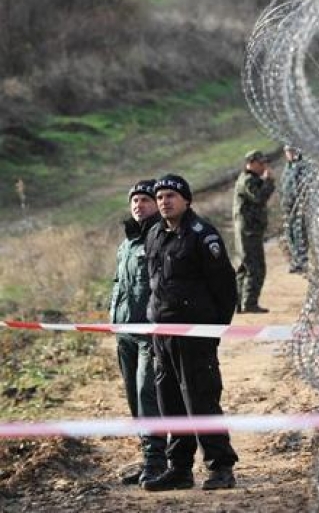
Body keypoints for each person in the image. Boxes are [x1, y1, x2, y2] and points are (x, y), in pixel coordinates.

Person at [142, 174, 239, 491]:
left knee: (201, 399)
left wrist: (212, 330)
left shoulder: (202, 235)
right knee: (169, 402)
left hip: (194, 335)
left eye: (170, 196)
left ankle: (221, 467)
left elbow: (225, 286)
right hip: (162, 334)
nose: (164, 202)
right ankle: (180, 469)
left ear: (186, 200)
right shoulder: (154, 233)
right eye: (159, 197)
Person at [109, 179, 166, 486]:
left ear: (155, 204)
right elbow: (119, 284)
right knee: (134, 397)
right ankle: (148, 458)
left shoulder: (161, 237)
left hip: (149, 334)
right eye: (134, 200)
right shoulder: (127, 243)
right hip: (124, 333)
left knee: (148, 396)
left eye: (145, 200)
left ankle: (158, 462)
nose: (138, 205)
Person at [233, 149, 275, 313]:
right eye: (260, 163)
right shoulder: (248, 180)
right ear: (250, 163)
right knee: (254, 267)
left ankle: (239, 303)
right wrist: (269, 182)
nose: (263, 166)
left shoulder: (251, 179)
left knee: (245, 267)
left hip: (249, 229)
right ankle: (249, 303)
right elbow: (259, 197)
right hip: (248, 231)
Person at [279, 145, 309, 274]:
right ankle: (296, 260)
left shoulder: (302, 167)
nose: (289, 154)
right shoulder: (288, 167)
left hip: (298, 205)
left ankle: (302, 260)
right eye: (287, 152)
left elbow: (303, 186)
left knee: (299, 232)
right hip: (288, 205)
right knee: (290, 233)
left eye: (291, 151)